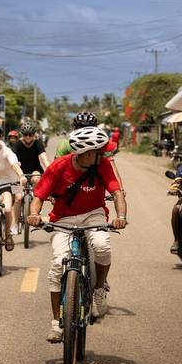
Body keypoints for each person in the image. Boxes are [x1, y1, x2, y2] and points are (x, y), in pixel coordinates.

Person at [27, 126, 128, 343]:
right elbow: (39, 196)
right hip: (62, 218)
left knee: (102, 246)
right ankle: (56, 323)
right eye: (99, 151)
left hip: (94, 214)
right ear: (86, 152)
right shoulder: (58, 167)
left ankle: (99, 288)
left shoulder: (102, 164)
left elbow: (116, 191)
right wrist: (34, 214)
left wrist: (121, 215)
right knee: (56, 266)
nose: (103, 154)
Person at [55, 111, 126, 194]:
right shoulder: (65, 144)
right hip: (70, 188)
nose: (86, 132)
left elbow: (112, 168)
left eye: (89, 128)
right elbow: (56, 171)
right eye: (82, 128)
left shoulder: (102, 145)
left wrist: (119, 190)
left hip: (94, 190)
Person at [11, 122, 51, 234]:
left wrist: (49, 169)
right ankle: (15, 224)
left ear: (34, 135)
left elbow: (43, 158)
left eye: (30, 135)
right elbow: (13, 161)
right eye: (26, 135)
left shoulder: (38, 143)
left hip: (34, 170)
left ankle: (36, 199)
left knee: (36, 178)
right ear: (22, 135)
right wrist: (19, 174)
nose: (28, 137)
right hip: (19, 173)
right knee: (18, 198)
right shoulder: (17, 144)